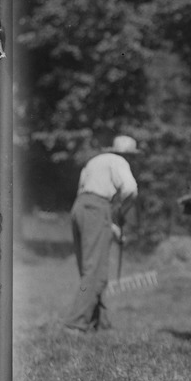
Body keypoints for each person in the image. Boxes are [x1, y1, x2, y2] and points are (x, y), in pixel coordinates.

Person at [64, 134, 139, 334]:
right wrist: (123, 210)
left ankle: (101, 323)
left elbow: (86, 194)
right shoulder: (120, 162)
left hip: (79, 207)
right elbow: (131, 189)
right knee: (95, 271)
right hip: (97, 209)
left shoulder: (94, 161)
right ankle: (75, 323)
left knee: (89, 268)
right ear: (127, 155)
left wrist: (113, 228)